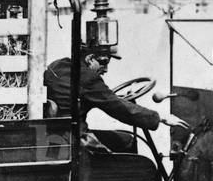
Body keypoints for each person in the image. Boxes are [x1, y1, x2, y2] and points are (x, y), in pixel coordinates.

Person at [44, 45, 189, 152]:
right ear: (90, 59)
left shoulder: (59, 65)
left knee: (121, 136)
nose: (106, 70)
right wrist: (161, 118)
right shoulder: (88, 78)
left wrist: (116, 99)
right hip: (75, 140)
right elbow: (118, 108)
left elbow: (109, 99)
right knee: (127, 141)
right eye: (104, 63)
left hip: (57, 134)